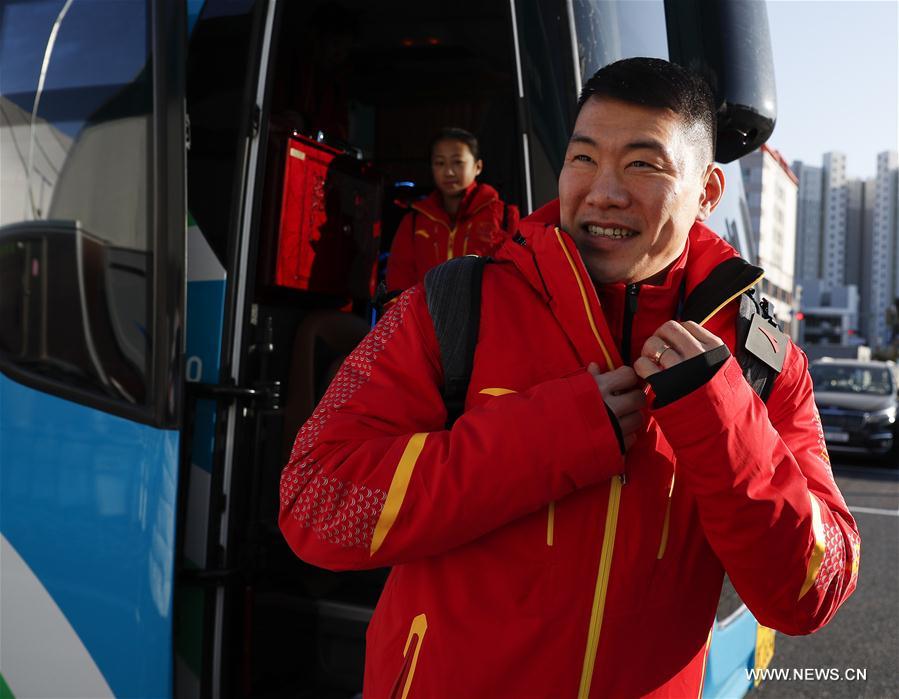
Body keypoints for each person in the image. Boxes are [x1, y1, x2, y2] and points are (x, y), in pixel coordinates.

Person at [280, 58, 859, 698]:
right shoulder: (448, 305)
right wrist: (551, 436)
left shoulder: (764, 363)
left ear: (708, 191)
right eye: (584, 158)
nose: (603, 191)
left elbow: (814, 592)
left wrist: (720, 416)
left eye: (644, 164)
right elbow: (315, 505)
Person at [385, 127, 519, 292]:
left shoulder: (505, 217)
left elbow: (516, 276)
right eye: (440, 163)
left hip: (487, 316)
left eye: (457, 162)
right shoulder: (414, 222)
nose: (448, 172)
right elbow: (398, 283)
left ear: (478, 166)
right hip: (426, 316)